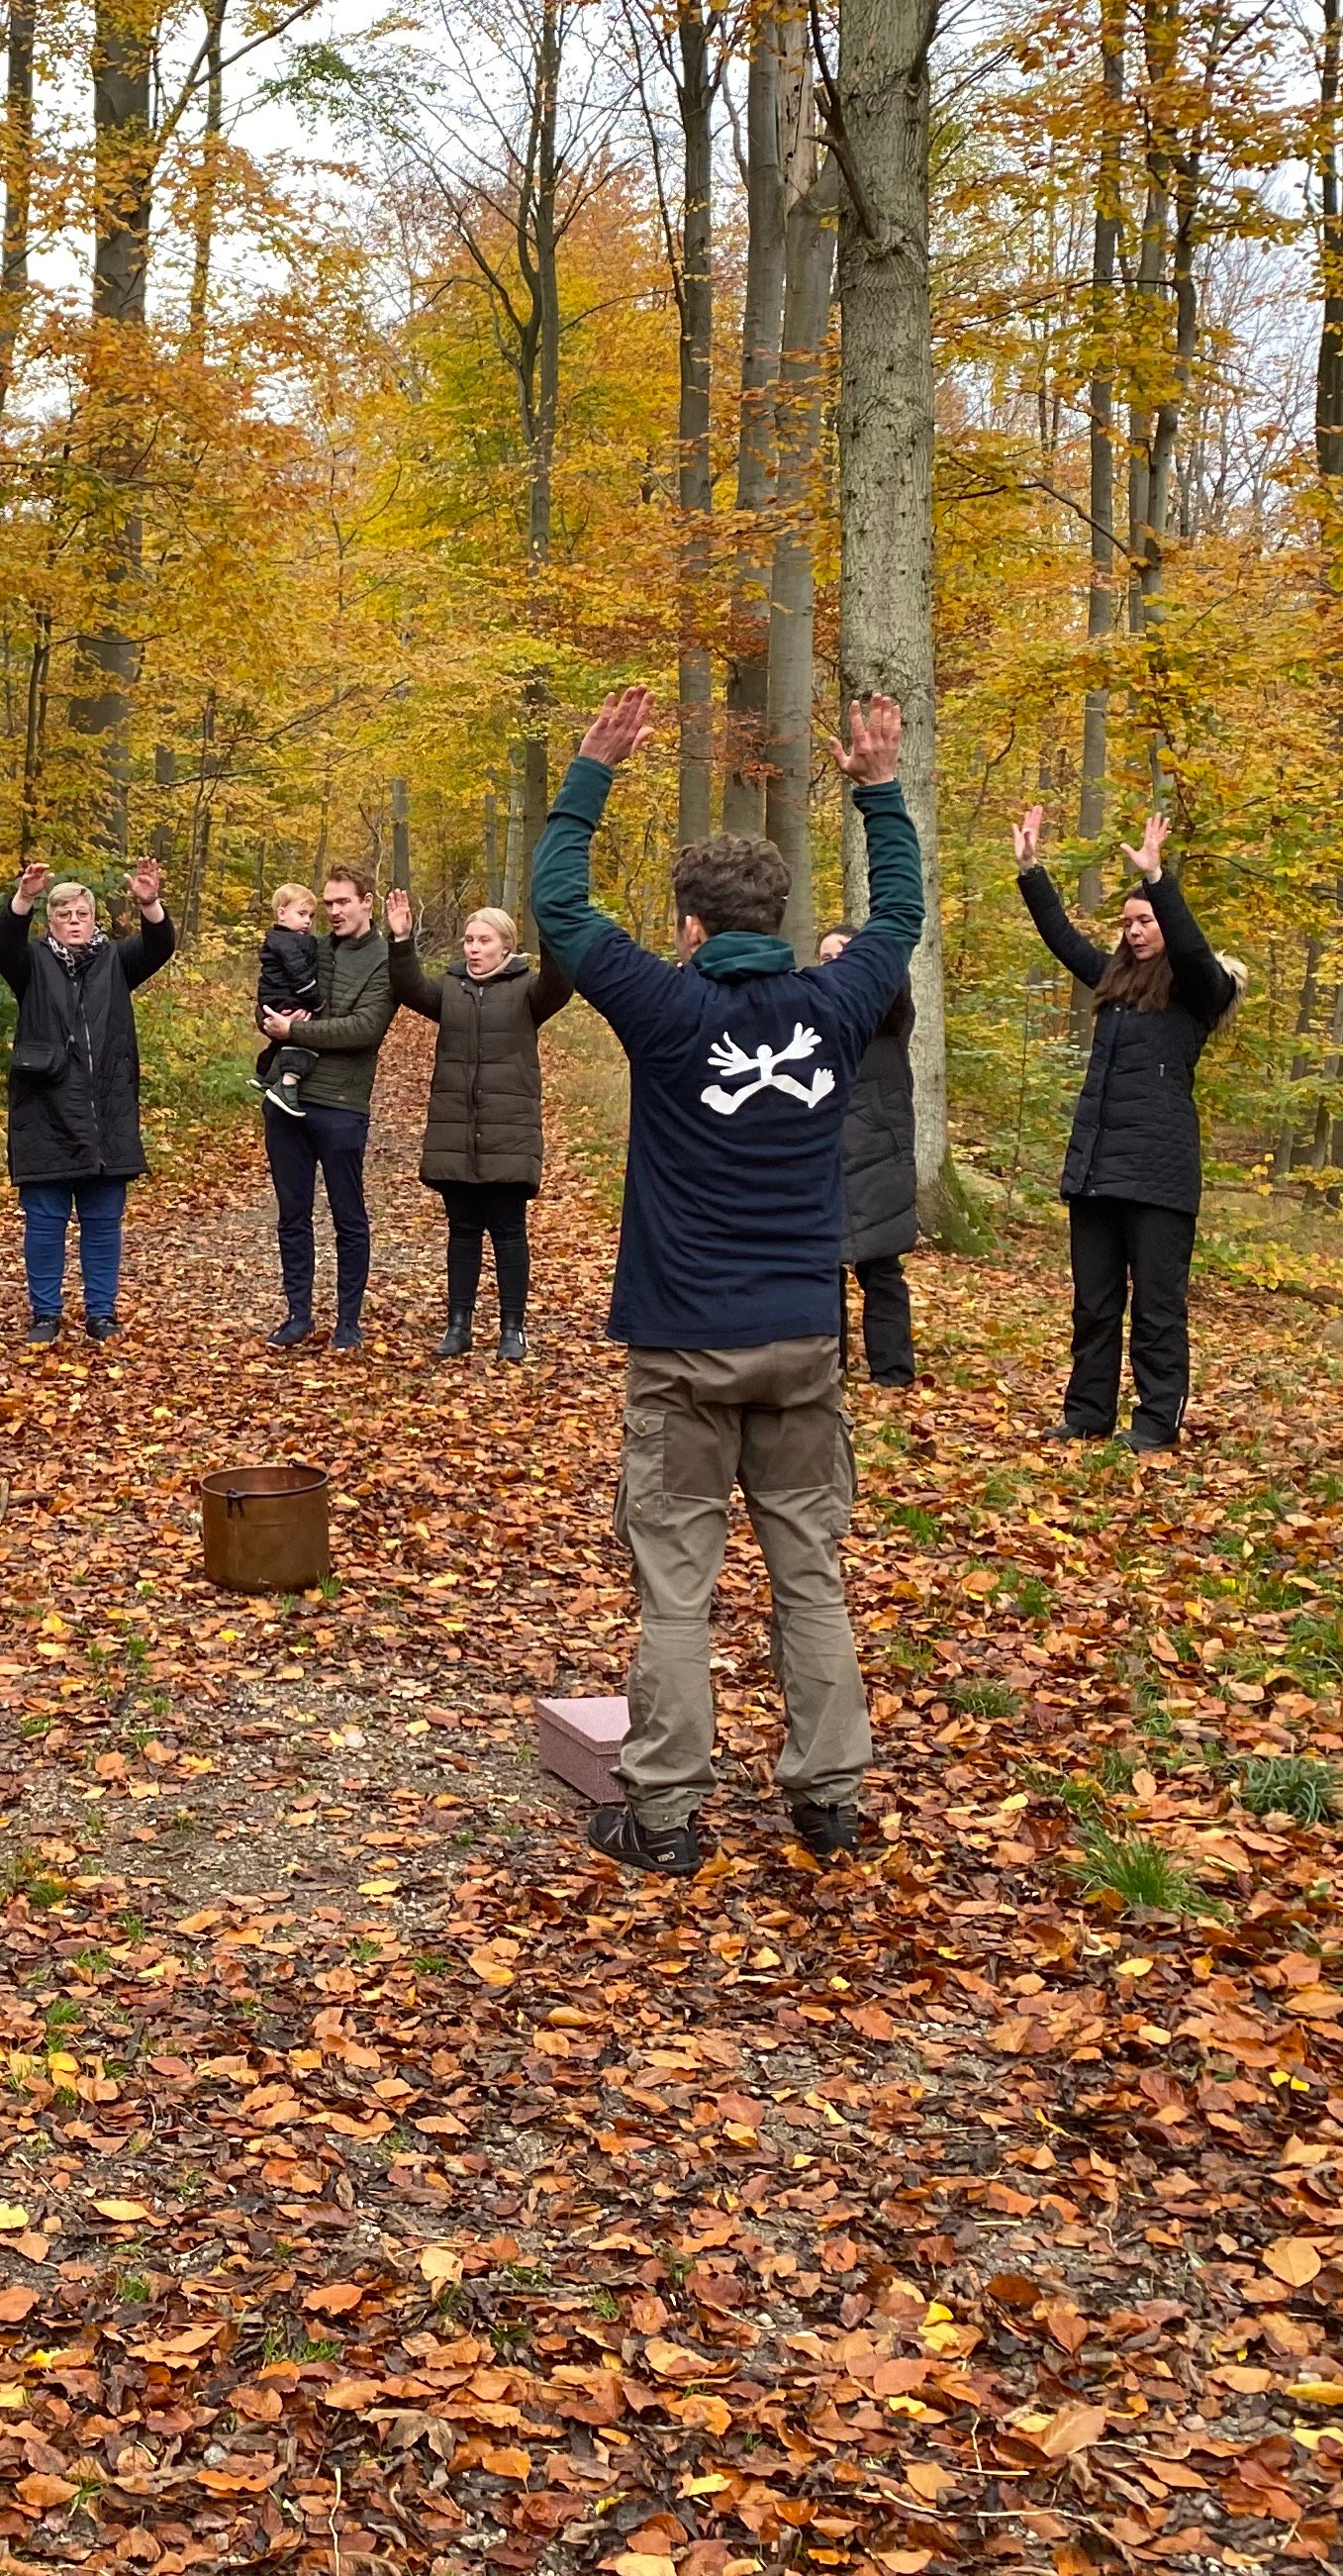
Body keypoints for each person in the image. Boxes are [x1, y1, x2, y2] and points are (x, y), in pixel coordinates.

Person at [534, 681, 920, 1878]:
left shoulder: (663, 1005)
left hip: (686, 1350)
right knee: (809, 1574)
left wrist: (590, 775)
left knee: (677, 1591)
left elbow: (557, 904)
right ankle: (830, 1799)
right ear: (784, 918)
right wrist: (879, 789)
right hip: (803, 1340)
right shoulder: (837, 1002)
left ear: (692, 927)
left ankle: (661, 1815)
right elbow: (902, 914)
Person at [1013, 806, 1239, 1450]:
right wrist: (1032, 869)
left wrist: (1160, 882)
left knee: (1158, 1309)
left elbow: (1195, 952)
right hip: (1097, 1169)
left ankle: (1155, 1421)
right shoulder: (1112, 982)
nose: (1136, 931)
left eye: (1146, 922)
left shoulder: (1201, 992)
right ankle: (1088, 1413)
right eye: (1130, 923)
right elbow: (1062, 938)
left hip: (1160, 1176)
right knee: (1093, 1304)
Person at [0, 856, 177, 1342]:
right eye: (64, 915)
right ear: (50, 922)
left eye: (82, 914)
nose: (74, 922)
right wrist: (24, 897)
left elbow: (160, 946)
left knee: (102, 1221)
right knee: (46, 1222)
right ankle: (45, 1314)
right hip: (44, 1112)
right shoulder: (31, 962)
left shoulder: (115, 960)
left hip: (107, 1113)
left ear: (94, 919)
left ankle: (101, 1313)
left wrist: (150, 902)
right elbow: (2, 944)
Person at [384, 898, 570, 1363]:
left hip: (509, 1133)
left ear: (506, 947)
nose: (473, 948)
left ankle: (513, 1329)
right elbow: (408, 988)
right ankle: (459, 1325)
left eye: (484, 940)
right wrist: (402, 939)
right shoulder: (451, 989)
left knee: (509, 1231)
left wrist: (549, 928)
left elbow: (559, 983)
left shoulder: (528, 990)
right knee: (462, 1231)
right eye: (469, 940)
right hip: (456, 1133)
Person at [260, 865, 397, 1348]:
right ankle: (298, 1314)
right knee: (292, 1213)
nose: (334, 911)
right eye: (328, 903)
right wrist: (272, 1018)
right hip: (286, 1099)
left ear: (367, 903)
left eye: (343, 902)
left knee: (348, 1215)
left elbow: (365, 1030)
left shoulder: (385, 959)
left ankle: (348, 1322)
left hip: (341, 1103)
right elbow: (272, 997)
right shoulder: (309, 947)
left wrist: (293, 1031)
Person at [816, 922, 917, 1386]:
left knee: (881, 1268)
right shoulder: (817, 1017)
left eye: (844, 955)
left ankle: (892, 1371)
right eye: (826, 958)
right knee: (825, 1266)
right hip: (828, 1153)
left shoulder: (888, 1013)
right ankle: (827, 1366)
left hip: (880, 1150)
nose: (834, 965)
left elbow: (893, 983)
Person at [255, 884, 324, 1115]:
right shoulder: (288, 943)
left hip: (273, 997)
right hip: (285, 998)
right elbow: (299, 975)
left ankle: (264, 1073)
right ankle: (288, 1084)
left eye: (311, 916)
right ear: (282, 913)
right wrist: (315, 1001)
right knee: (306, 1035)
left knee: (283, 1036)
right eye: (301, 914)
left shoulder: (280, 939)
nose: (308, 921)